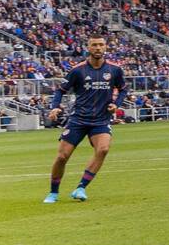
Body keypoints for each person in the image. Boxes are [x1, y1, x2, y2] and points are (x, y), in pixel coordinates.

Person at [43, 35, 125, 203]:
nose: (98, 48)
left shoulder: (115, 70)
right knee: (62, 157)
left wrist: (116, 104)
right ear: (88, 47)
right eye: (94, 45)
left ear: (105, 47)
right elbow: (60, 90)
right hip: (78, 119)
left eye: (101, 45)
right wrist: (55, 107)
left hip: (101, 120)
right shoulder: (77, 70)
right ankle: (53, 192)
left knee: (103, 150)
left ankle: (80, 188)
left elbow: (123, 89)